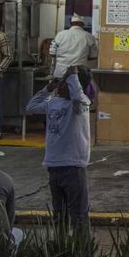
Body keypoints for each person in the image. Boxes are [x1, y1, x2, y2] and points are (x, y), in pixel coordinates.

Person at [25, 65, 93, 229]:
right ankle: (61, 248)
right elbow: (31, 107)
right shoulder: (53, 102)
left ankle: (81, 251)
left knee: (78, 215)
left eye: (64, 82)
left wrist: (73, 76)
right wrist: (48, 89)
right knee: (59, 214)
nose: (60, 85)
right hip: (53, 166)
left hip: (73, 166)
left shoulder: (80, 105)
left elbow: (77, 96)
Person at [49, 13, 98, 78]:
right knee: (78, 88)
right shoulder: (88, 36)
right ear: (82, 24)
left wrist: (63, 57)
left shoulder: (60, 34)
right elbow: (93, 56)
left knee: (60, 88)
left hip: (60, 73)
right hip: (79, 73)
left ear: (71, 24)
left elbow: (52, 53)